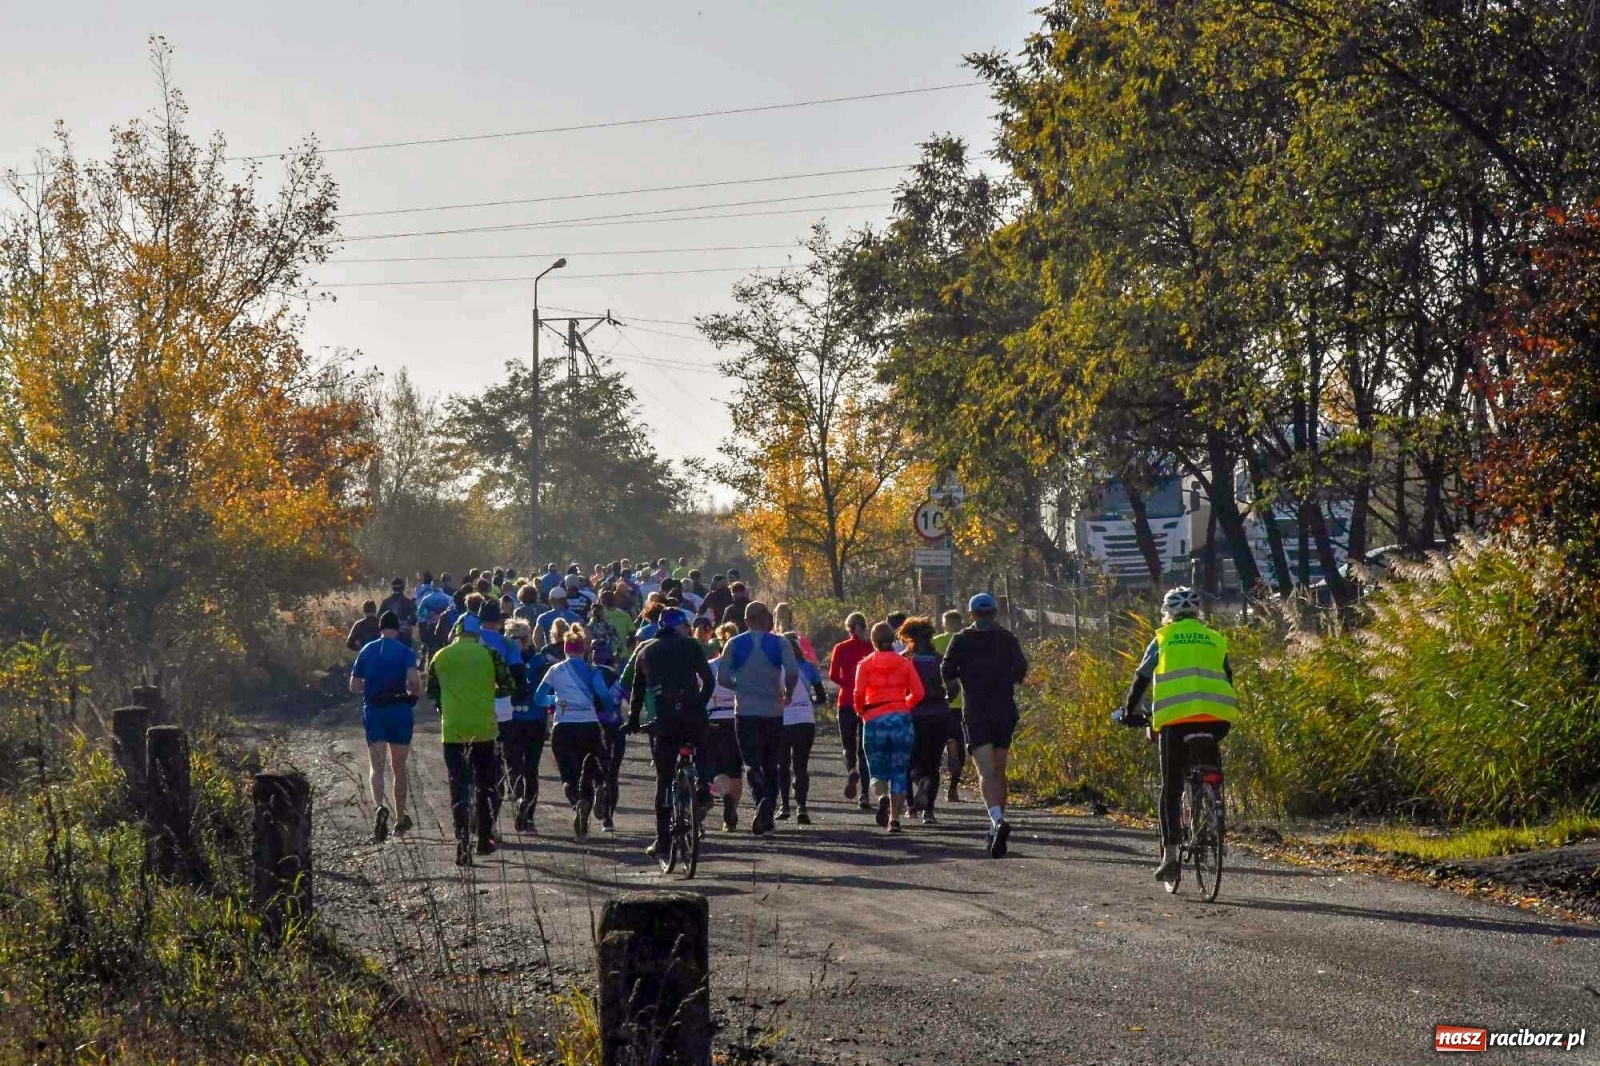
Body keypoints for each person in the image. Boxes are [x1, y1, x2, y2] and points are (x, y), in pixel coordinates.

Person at [1123, 586, 1238, 881]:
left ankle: (1170, 856)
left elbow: (1142, 678)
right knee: (1208, 766)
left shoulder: (1163, 638)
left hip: (1176, 720)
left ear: (1168, 614)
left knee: (1171, 789)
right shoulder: (1216, 638)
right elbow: (1228, 678)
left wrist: (1129, 712)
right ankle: (1212, 802)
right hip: (1217, 719)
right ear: (1197, 613)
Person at [939, 593, 1029, 858]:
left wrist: (954, 687)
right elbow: (1020, 671)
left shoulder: (961, 639)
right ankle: (994, 829)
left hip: (976, 711)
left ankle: (997, 821)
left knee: (985, 771)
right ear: (995, 612)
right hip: (1004, 710)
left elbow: (947, 669)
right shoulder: (1007, 639)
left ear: (971, 614)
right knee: (999, 769)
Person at [626, 607, 716, 857]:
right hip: (692, 715)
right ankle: (703, 786)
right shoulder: (692, 645)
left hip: (664, 721)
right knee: (702, 745)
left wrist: (633, 720)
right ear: (679, 626)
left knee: (664, 779)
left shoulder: (645, 651)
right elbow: (708, 681)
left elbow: (638, 691)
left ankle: (662, 839)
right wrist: (699, 704)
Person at [427, 611, 513, 866]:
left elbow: (432, 692)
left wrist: (447, 706)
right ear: (477, 633)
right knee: (486, 784)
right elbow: (508, 686)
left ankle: (462, 840)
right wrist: (488, 690)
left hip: (452, 730)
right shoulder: (490, 654)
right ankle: (484, 839)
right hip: (484, 729)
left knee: (458, 784)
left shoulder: (440, 656)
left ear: (455, 631)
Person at [718, 602, 799, 836]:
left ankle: (761, 798)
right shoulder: (780, 642)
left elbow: (722, 677)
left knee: (752, 762)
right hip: (773, 711)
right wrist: (788, 692)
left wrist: (739, 687)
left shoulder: (734, 643)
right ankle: (768, 811)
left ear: (746, 620)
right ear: (767, 619)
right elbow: (792, 672)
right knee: (771, 763)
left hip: (745, 711)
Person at [534, 626, 615, 840]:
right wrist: (607, 713)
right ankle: (598, 788)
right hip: (589, 726)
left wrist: (556, 701)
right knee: (594, 767)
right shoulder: (592, 671)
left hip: (563, 727)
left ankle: (577, 802)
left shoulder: (555, 670)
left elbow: (538, 698)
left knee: (569, 774)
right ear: (584, 650)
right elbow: (605, 698)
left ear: (564, 649)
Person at [349, 610, 422, 842]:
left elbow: (354, 685)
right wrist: (413, 696)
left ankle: (380, 808)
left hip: (374, 711)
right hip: (399, 711)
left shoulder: (367, 650)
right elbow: (413, 681)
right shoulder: (405, 652)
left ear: (380, 628)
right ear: (397, 629)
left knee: (376, 767)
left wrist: (371, 688)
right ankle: (400, 819)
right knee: (399, 768)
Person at [853, 622, 923, 834]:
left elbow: (858, 694)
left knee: (877, 769)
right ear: (893, 640)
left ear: (873, 641)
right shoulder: (905, 663)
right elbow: (919, 692)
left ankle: (882, 797)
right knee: (899, 771)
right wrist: (903, 705)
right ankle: (894, 819)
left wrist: (861, 711)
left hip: (874, 720)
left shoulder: (865, 665)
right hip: (900, 720)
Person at [899, 617, 955, 824]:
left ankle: (912, 805)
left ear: (908, 637)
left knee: (910, 761)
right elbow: (953, 687)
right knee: (933, 762)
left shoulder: (905, 658)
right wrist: (946, 699)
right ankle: (929, 811)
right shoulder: (939, 658)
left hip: (911, 714)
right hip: (938, 713)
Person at [502, 618, 548, 833]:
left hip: (511, 720)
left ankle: (520, 801)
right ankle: (528, 816)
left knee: (515, 767)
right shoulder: (540, 661)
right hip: (535, 720)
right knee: (531, 770)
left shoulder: (502, 660)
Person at [827, 613, 874, 810]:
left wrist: (848, 684)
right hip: (867, 701)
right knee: (864, 748)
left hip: (846, 699)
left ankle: (851, 768)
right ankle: (864, 794)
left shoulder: (841, 647)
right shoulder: (871, 648)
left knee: (848, 743)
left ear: (850, 629)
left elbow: (832, 675)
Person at [701, 623, 745, 830]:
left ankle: (725, 797)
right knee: (736, 771)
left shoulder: (709, 666)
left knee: (717, 770)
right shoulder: (745, 668)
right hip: (739, 719)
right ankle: (730, 814)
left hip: (715, 720)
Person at [778, 632, 826, 823]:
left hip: (782, 721)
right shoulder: (809, 668)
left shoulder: (776, 668)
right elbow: (821, 697)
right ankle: (802, 807)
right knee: (801, 766)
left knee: (783, 765)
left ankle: (784, 806)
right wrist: (809, 701)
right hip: (805, 720)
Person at [932, 609, 968, 802]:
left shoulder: (936, 642)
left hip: (941, 700)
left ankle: (947, 752)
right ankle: (953, 788)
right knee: (961, 743)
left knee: (938, 743)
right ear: (960, 623)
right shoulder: (967, 641)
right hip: (963, 702)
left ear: (944, 624)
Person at [380, 578, 417, 646]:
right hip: (405, 633)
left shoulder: (385, 602)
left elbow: (379, 618)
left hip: (389, 632)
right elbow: (414, 620)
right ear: (403, 588)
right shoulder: (409, 602)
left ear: (392, 588)